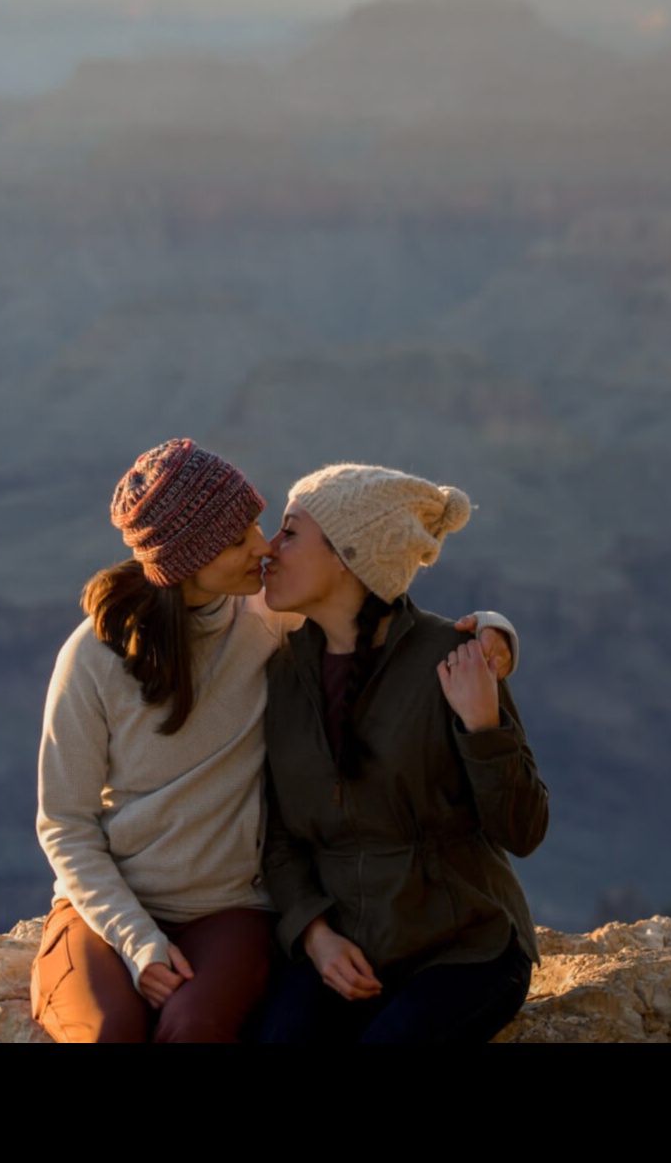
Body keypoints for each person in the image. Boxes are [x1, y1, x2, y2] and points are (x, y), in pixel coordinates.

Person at [32, 439, 518, 1043]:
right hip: (105, 914)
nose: (262, 547)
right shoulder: (93, 656)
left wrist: (494, 631)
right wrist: (139, 942)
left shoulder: (268, 616)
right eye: (238, 541)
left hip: (228, 910)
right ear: (188, 559)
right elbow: (64, 824)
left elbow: (375, 606)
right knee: (107, 1033)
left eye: (259, 526)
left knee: (195, 1030)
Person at [257, 462, 547, 1043]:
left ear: (348, 555)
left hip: (466, 950)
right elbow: (280, 837)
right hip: (345, 951)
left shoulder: (456, 659)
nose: (269, 549)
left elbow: (524, 830)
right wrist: (314, 933)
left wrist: (483, 726)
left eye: (289, 533)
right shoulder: (280, 669)